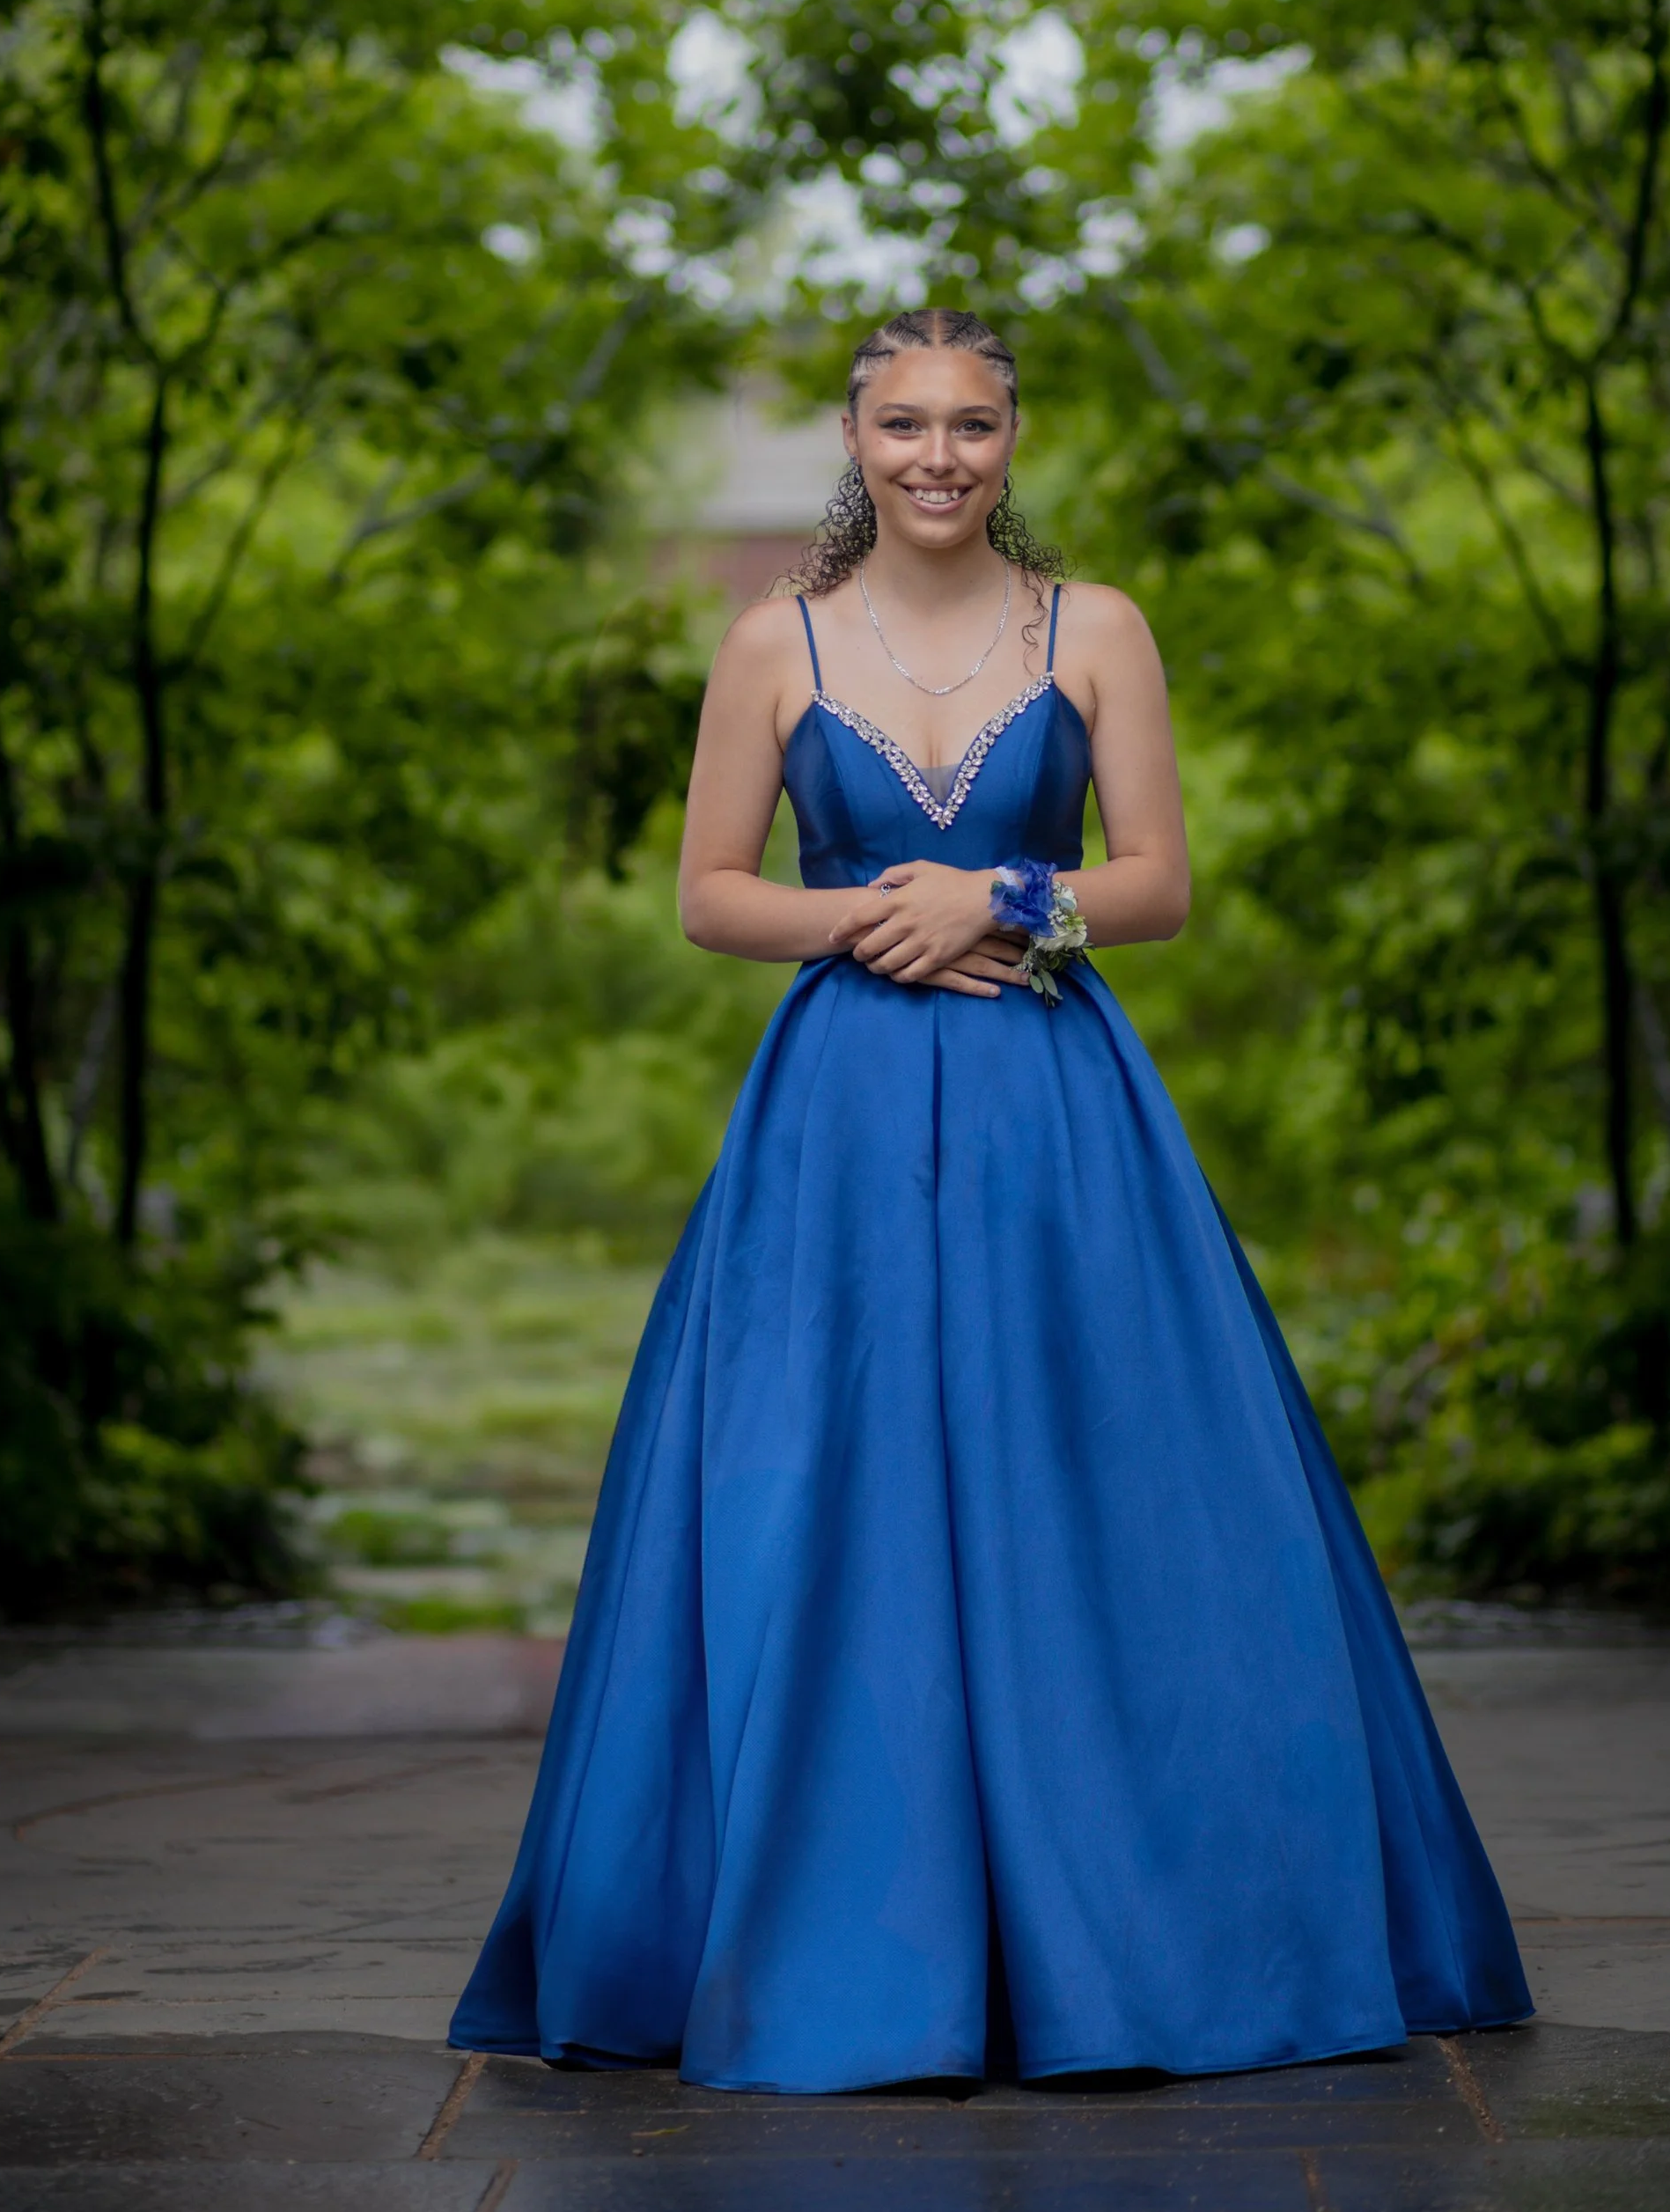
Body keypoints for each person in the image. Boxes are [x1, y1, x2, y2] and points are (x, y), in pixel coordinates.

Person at [451, 306, 1531, 2091]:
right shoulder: (769, 641)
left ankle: (1126, 1934)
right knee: (826, 1492)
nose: (936, 454)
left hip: (1054, 1109)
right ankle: (849, 1946)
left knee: (1093, 1482)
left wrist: (1008, 901)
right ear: (852, 438)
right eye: (901, 423)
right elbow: (711, 895)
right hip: (838, 1125)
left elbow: (1162, 881)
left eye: (969, 423)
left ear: (1009, 440)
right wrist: (897, 913)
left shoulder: (1091, 625)